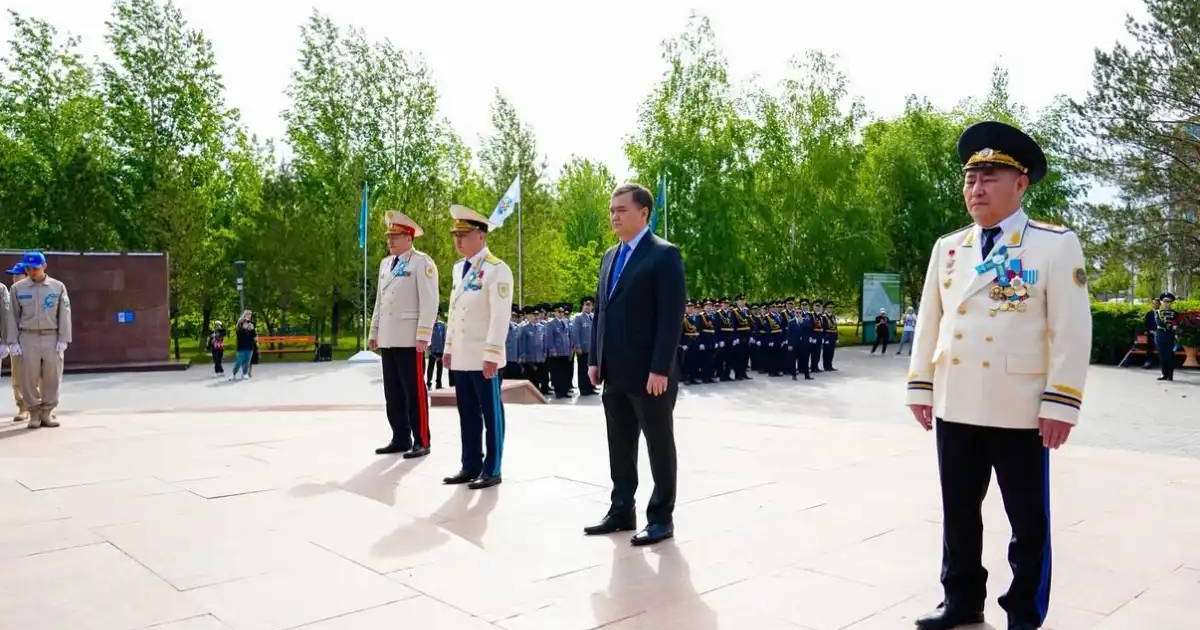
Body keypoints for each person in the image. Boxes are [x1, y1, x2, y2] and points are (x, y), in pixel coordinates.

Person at [905, 121, 1092, 630]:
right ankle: (960, 599)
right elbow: (931, 322)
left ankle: (1024, 612)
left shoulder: (1053, 245)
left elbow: (1072, 330)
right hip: (957, 401)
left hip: (1020, 407)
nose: (976, 188)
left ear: (1020, 184)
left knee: (1027, 522)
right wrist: (921, 386)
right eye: (970, 178)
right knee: (959, 512)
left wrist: (1061, 403)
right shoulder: (949, 247)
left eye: (989, 177)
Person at [584, 183, 686, 547]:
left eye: (622, 209)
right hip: (615, 372)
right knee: (620, 445)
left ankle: (661, 517)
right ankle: (621, 510)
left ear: (644, 213)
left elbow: (670, 317)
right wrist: (595, 358)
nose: (614, 215)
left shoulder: (664, 255)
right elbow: (602, 311)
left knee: (659, 445)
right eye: (611, 210)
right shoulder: (610, 256)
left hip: (650, 375)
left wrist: (661, 367)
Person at [442, 204, 514, 490]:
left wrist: (493, 355)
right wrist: (448, 347)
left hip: (484, 357)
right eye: (455, 235)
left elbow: (500, 317)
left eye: (465, 234)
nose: (458, 240)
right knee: (467, 413)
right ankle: (470, 464)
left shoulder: (497, 269)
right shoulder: (459, 269)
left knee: (491, 413)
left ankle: (492, 468)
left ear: (481, 236)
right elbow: (454, 310)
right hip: (462, 355)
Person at [368, 211, 439, 457]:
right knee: (393, 392)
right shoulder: (385, 264)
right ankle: (400, 437)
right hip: (389, 337)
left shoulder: (422, 262)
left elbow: (429, 302)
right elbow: (380, 300)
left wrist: (423, 335)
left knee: (414, 391)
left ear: (409, 237)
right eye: (389, 236)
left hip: (410, 338)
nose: (390, 241)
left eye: (395, 236)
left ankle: (422, 439)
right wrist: (374, 330)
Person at [9, 252, 71, 429]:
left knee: (52, 376)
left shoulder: (57, 287)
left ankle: (47, 412)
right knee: (28, 377)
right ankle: (34, 414)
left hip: (51, 336)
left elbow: (65, 313)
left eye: (35, 268)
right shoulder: (18, 288)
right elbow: (12, 316)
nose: (31, 272)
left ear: (44, 266)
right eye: (28, 268)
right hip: (28, 336)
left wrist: (64, 338)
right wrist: (13, 341)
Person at [3, 262, 25, 422]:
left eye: (18, 275)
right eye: (13, 275)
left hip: (34, 338)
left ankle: (42, 408)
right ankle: (22, 407)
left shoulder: (41, 290)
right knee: (17, 375)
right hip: (15, 340)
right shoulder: (10, 293)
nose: (14, 278)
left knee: (40, 376)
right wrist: (7, 341)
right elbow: (5, 317)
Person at [545, 304, 573, 398]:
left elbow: (568, 337)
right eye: (559, 312)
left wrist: (570, 350)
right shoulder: (551, 323)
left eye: (562, 312)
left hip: (565, 351)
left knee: (565, 372)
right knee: (557, 373)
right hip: (556, 352)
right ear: (555, 312)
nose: (561, 314)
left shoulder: (566, 322)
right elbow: (549, 338)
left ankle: (565, 391)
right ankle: (559, 391)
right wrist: (553, 351)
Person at [571, 297, 597, 396]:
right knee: (583, 370)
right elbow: (575, 333)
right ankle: (584, 389)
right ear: (582, 306)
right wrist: (577, 346)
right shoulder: (578, 317)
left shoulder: (593, 316)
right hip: (583, 348)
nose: (588, 306)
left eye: (590, 305)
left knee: (591, 369)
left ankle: (590, 387)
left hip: (592, 349)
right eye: (586, 304)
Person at [1154, 292, 1178, 382]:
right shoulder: (1158, 312)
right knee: (1162, 355)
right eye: (1165, 301)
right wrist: (1170, 324)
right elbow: (1159, 323)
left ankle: (1170, 375)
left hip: (1170, 335)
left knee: (1169, 355)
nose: (1167, 303)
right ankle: (1164, 374)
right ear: (1161, 302)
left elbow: (1177, 323)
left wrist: (1173, 326)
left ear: (1171, 302)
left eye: (1169, 301)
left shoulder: (1174, 313)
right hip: (1160, 335)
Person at [788, 301, 813, 380]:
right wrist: (790, 345)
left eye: (799, 312)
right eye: (796, 312)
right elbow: (789, 334)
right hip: (795, 344)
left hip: (804, 344)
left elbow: (808, 330)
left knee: (805, 360)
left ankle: (807, 375)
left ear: (801, 313)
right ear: (794, 313)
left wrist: (802, 323)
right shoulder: (791, 322)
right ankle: (794, 375)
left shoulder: (806, 320)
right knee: (793, 360)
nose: (798, 313)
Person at [229, 310, 257, 381]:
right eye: (247, 315)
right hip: (241, 347)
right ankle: (233, 374)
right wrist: (244, 328)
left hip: (250, 347)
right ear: (244, 316)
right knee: (238, 361)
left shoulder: (251, 324)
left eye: (250, 315)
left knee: (247, 362)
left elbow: (254, 336)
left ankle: (245, 374)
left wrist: (252, 329)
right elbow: (238, 335)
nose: (249, 317)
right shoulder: (240, 324)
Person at [427, 316, 447, 389]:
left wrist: (444, 350)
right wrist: (429, 350)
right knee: (430, 368)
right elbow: (427, 339)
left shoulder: (442, 325)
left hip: (440, 351)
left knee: (440, 368)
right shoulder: (429, 326)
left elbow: (444, 338)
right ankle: (429, 384)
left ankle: (438, 384)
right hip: (432, 351)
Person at [1142, 297, 1161, 369]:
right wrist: (1149, 331)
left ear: (1159, 304)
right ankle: (1148, 361)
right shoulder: (1149, 314)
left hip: (1160, 333)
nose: (1155, 305)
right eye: (1154, 303)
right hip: (1151, 334)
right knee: (1149, 345)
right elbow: (1146, 325)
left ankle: (1163, 363)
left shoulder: (1162, 314)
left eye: (1157, 303)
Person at [821, 300, 839, 371]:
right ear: (826, 308)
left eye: (832, 307)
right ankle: (826, 366)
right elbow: (823, 329)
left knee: (831, 352)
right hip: (827, 337)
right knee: (826, 352)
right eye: (829, 307)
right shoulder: (823, 317)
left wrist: (837, 337)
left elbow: (836, 327)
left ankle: (830, 366)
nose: (831, 309)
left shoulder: (833, 317)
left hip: (833, 337)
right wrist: (825, 339)